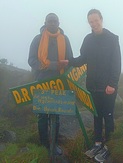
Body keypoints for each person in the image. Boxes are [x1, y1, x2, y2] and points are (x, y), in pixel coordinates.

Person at [69, 9, 121, 162]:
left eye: (96, 20)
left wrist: (112, 84)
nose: (94, 24)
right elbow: (82, 59)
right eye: (91, 22)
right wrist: (69, 61)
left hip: (108, 87)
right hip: (92, 85)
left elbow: (116, 63)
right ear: (89, 23)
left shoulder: (112, 39)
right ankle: (98, 143)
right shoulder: (88, 39)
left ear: (101, 19)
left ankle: (109, 146)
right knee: (97, 116)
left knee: (108, 116)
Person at [28, 13, 73, 154]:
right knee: (42, 116)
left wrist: (63, 67)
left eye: (55, 21)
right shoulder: (37, 39)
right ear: (45, 22)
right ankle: (43, 145)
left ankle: (54, 145)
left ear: (59, 23)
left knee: (56, 115)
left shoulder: (65, 39)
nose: (52, 23)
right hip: (41, 82)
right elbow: (31, 60)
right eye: (50, 21)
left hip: (59, 83)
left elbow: (70, 60)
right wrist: (49, 66)